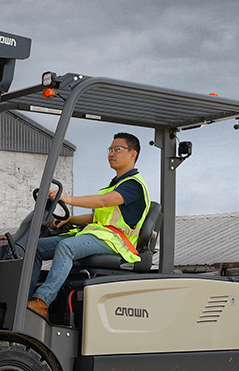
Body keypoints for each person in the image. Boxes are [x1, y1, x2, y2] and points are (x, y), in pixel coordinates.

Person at [26, 132, 151, 318]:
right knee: (34, 248)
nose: (111, 153)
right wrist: (68, 220)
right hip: (99, 236)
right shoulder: (116, 184)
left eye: (118, 149)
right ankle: (24, 299)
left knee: (66, 247)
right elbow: (96, 218)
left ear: (133, 154)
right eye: (110, 149)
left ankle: (42, 302)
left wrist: (67, 198)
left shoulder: (133, 185)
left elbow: (101, 201)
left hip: (117, 243)